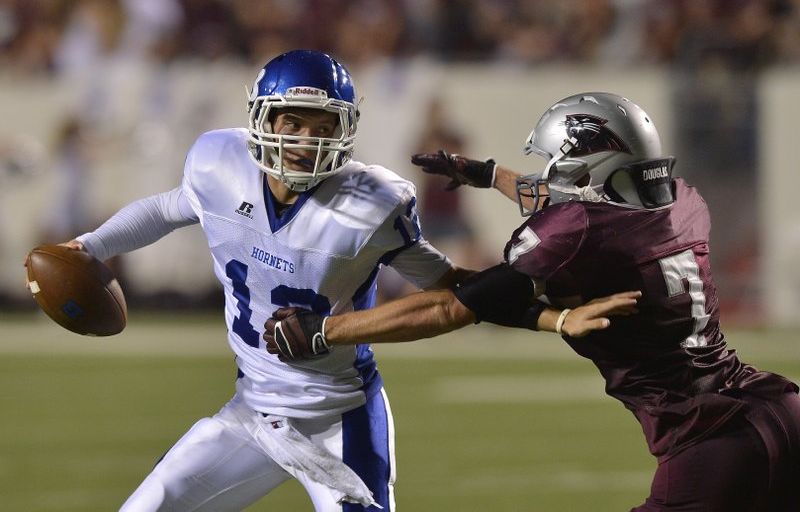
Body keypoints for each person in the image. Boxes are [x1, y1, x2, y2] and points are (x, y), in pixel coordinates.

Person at [30, 51, 634, 512]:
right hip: (251, 412)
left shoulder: (371, 203)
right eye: (292, 120)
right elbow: (165, 209)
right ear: (261, 120)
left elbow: (450, 289)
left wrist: (549, 316)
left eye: (321, 124)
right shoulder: (219, 164)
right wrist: (86, 249)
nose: (304, 139)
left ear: (343, 129)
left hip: (337, 414)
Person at [264, 92, 800, 511]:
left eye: (558, 162)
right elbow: (585, 198)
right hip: (779, 408)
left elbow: (453, 305)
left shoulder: (575, 231)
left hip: (709, 443)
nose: (550, 174)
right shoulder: (684, 199)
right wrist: (485, 174)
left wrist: (324, 331)